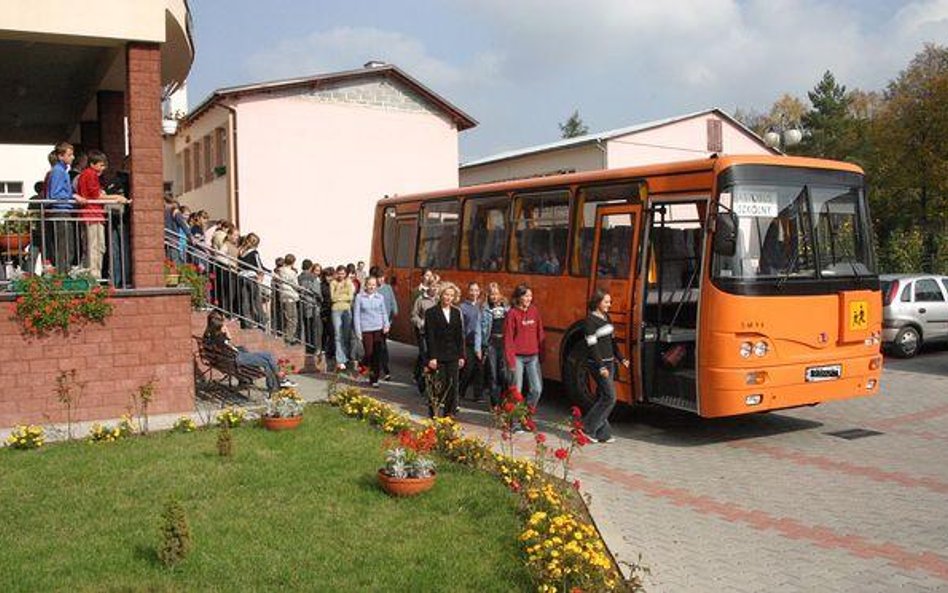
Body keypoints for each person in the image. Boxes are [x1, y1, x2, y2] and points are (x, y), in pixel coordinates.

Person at [202, 311, 296, 393]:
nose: (225, 322)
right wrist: (226, 331)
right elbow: (229, 340)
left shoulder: (208, 335)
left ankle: (277, 382)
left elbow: (227, 346)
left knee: (267, 355)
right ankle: (278, 382)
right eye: (223, 321)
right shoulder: (220, 337)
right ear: (219, 325)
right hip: (236, 359)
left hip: (229, 358)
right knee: (267, 359)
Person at [583, 290, 629, 444]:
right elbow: (592, 346)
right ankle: (587, 429)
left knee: (603, 396)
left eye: (610, 302)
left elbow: (612, 342)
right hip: (598, 364)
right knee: (610, 398)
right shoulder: (590, 321)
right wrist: (601, 366)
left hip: (610, 362)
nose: (609, 305)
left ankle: (603, 433)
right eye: (606, 302)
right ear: (598, 302)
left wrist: (621, 359)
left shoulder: (607, 318)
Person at [75, 150, 129, 279]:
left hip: (91, 214)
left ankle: (91, 275)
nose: (103, 169)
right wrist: (117, 197)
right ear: (92, 164)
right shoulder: (91, 174)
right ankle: (94, 277)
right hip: (93, 215)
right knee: (96, 247)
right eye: (101, 165)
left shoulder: (86, 175)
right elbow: (97, 196)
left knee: (94, 247)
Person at [424, 283, 465, 417]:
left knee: (452, 386)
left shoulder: (456, 312)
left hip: (453, 354)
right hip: (438, 355)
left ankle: (449, 414)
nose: (448, 297)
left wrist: (461, 356)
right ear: (441, 295)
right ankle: (434, 413)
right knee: (437, 385)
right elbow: (430, 336)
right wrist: (432, 357)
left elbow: (459, 335)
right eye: (446, 294)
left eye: (451, 295)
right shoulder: (431, 312)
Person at [504, 283, 546, 416]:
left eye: (530, 296)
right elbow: (508, 339)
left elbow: (540, 333)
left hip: (533, 356)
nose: (529, 298)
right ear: (519, 297)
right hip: (517, 358)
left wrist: (542, 353)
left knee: (537, 389)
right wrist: (510, 362)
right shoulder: (512, 313)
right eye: (526, 296)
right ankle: (514, 421)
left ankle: (526, 414)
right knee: (517, 391)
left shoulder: (534, 311)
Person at [47, 141, 79, 273]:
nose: (72, 157)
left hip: (65, 211)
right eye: (70, 155)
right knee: (64, 246)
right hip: (60, 211)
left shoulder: (62, 171)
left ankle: (64, 273)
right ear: (61, 156)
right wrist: (73, 197)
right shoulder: (58, 171)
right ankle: (62, 276)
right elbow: (55, 194)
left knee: (68, 246)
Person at [353, 276, 390, 387]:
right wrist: (358, 331)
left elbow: (384, 312)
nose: (371, 287)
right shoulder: (359, 297)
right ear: (365, 285)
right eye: (369, 284)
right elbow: (356, 315)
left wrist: (386, 324)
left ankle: (374, 379)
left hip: (378, 328)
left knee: (377, 355)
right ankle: (362, 365)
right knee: (369, 353)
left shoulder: (380, 297)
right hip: (366, 329)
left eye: (374, 285)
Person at [479, 282, 509, 407]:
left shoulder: (507, 308)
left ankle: (503, 399)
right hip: (491, 343)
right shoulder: (485, 308)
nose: (494, 296)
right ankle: (495, 403)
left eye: (496, 293)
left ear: (500, 294)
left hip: (504, 343)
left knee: (504, 374)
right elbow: (479, 328)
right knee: (493, 373)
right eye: (491, 294)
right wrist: (479, 347)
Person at [410, 282, 439, 393]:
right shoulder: (421, 299)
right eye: (433, 286)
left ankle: (431, 384)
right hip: (424, 333)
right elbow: (414, 315)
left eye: (437, 287)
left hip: (437, 334)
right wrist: (420, 322)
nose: (435, 289)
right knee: (426, 358)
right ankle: (422, 383)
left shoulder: (439, 300)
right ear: (429, 287)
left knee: (434, 359)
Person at [458, 281, 484, 402]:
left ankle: (478, 395)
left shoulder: (482, 306)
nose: (474, 293)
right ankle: (461, 391)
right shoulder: (462, 307)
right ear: (468, 292)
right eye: (472, 290)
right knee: (468, 368)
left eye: (476, 290)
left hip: (480, 343)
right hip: (467, 342)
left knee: (480, 369)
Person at [372, 266, 398, 380]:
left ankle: (385, 369)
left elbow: (393, 304)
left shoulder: (388, 288)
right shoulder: (371, 289)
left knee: (382, 346)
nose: (381, 279)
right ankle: (374, 368)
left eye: (382, 277)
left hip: (385, 323)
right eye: (378, 277)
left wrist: (391, 318)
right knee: (374, 347)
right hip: (372, 323)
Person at [237, 233, 268, 327]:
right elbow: (259, 266)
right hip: (251, 277)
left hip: (242, 276)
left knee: (245, 300)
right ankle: (261, 321)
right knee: (256, 300)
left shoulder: (240, 251)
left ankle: (247, 322)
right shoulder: (254, 252)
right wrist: (264, 273)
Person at [330, 265, 356, 371]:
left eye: (343, 273)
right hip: (336, 310)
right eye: (339, 273)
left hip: (346, 310)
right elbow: (333, 298)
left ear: (345, 274)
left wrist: (340, 297)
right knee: (337, 334)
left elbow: (351, 297)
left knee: (346, 334)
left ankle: (345, 357)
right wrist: (341, 291)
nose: (341, 275)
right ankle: (340, 360)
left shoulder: (349, 282)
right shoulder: (333, 283)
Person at [298, 259, 324, 357]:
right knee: (316, 329)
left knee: (307, 328)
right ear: (310, 267)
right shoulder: (314, 278)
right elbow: (316, 291)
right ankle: (316, 348)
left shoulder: (299, 277)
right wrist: (321, 299)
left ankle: (308, 348)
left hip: (303, 305)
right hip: (313, 305)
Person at [276, 253, 301, 345]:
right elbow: (295, 285)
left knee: (287, 317)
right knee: (293, 318)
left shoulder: (280, 271)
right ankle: (289, 337)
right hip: (291, 296)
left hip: (283, 295)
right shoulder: (292, 272)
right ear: (293, 262)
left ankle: (287, 335)